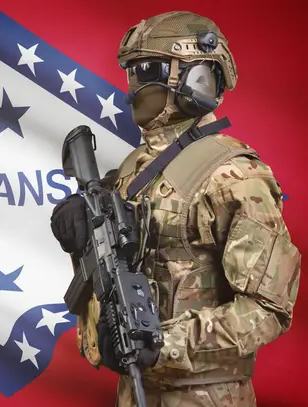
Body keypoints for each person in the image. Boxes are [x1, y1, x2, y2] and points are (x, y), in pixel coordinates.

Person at [50, 11, 301, 407]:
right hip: (135, 391)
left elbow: (268, 309)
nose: (134, 85)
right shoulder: (135, 166)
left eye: (147, 69)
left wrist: (164, 344)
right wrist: (79, 229)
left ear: (194, 77)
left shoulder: (234, 175)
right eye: (132, 71)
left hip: (207, 396)